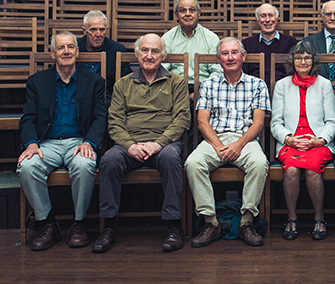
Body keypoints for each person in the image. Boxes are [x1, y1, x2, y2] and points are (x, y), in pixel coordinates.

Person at [93, 34, 190, 253]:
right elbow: (115, 122)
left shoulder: (176, 82)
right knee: (109, 159)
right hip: (129, 144)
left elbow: (183, 118)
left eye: (155, 51)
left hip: (164, 144)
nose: (149, 55)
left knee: (171, 158)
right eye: (144, 50)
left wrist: (159, 143)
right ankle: (109, 226)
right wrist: (129, 145)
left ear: (163, 55)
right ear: (136, 54)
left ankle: (174, 225)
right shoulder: (123, 84)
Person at [17, 31, 106, 251]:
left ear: (77, 51)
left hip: (79, 141)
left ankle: (78, 223)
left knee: (85, 165)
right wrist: (31, 143)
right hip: (46, 143)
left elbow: (100, 118)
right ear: (52, 53)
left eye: (70, 47)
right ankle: (48, 223)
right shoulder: (36, 82)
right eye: (60, 47)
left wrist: (89, 143)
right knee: (27, 166)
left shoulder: (94, 81)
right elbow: (28, 118)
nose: (66, 51)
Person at [185, 37, 270, 248]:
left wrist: (238, 145)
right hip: (215, 138)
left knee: (259, 164)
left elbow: (258, 123)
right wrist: (219, 146)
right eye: (225, 53)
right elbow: (202, 122)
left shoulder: (257, 84)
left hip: (245, 139)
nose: (230, 57)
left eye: (234, 52)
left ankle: (246, 221)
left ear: (243, 56)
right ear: (218, 58)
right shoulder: (208, 84)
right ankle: (210, 222)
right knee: (193, 163)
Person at [271, 41, 335, 240]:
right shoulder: (282, 85)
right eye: (298, 57)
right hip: (290, 142)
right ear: (292, 60)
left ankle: (319, 217)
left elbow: (332, 121)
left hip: (317, 142)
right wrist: (289, 139)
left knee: (311, 168)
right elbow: (275, 123)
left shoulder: (324, 84)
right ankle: (291, 218)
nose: (303, 61)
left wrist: (320, 140)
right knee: (291, 169)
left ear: (313, 61)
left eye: (307, 57)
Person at [162, 0, 222, 95]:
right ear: (176, 14)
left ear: (199, 13)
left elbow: (217, 71)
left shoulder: (211, 38)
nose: (187, 14)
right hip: (174, 89)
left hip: (204, 89)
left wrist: (201, 91)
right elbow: (162, 69)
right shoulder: (167, 38)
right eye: (182, 10)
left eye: (192, 10)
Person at [77, 10, 130, 104]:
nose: (98, 34)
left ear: (107, 29)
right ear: (84, 30)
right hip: (78, 99)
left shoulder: (117, 49)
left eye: (102, 29)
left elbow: (126, 82)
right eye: (93, 30)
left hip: (106, 100)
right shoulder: (74, 47)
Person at [242, 3, 298, 87]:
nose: (267, 20)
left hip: (283, 89)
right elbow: (243, 71)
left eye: (271, 15)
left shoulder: (291, 42)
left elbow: (293, 70)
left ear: (277, 18)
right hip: (253, 89)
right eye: (263, 16)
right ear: (257, 20)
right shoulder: (246, 44)